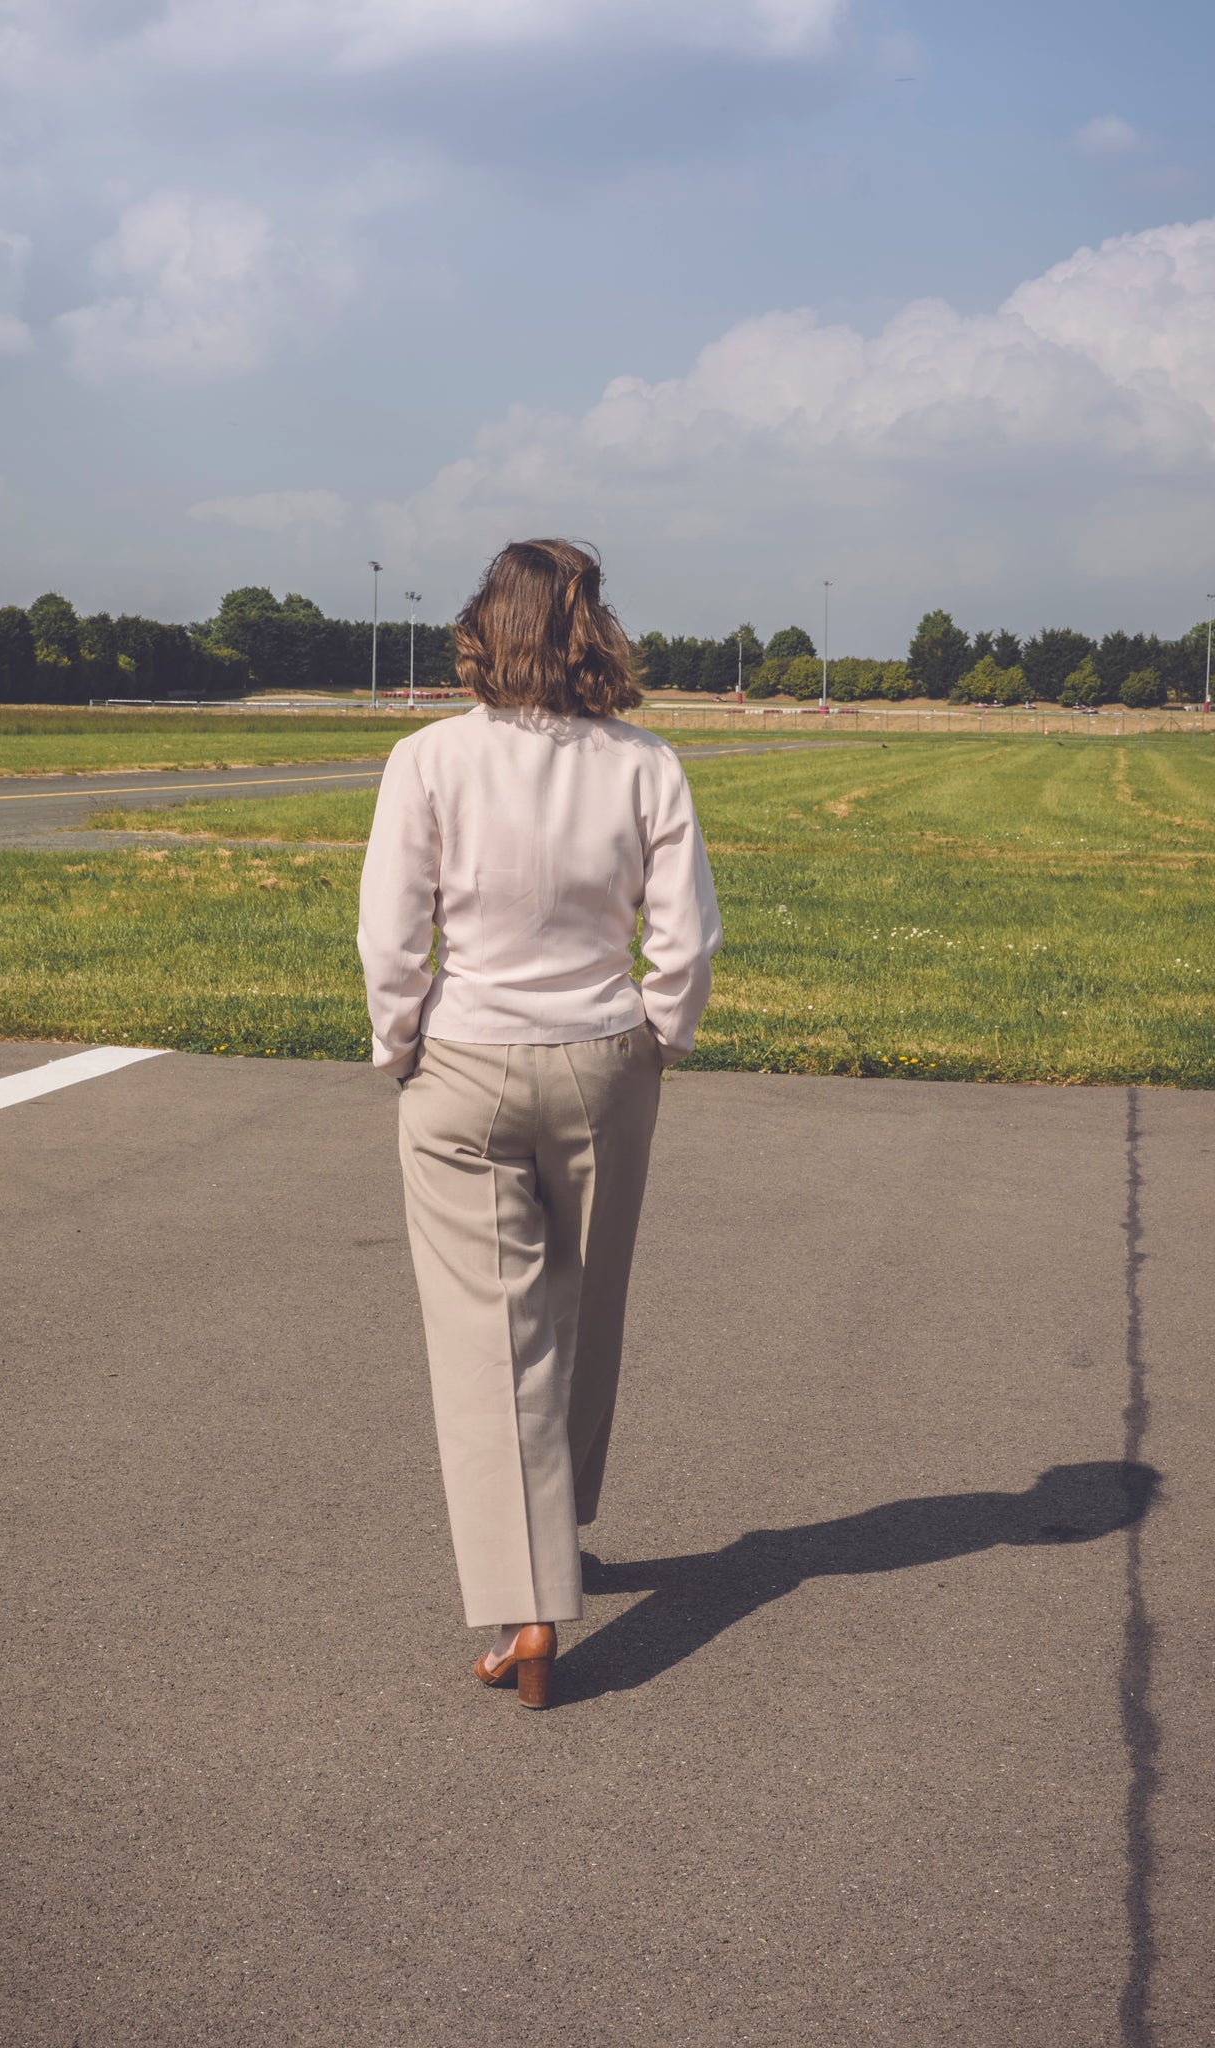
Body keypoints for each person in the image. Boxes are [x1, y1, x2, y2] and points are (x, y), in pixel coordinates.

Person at [357, 539, 721, 1709]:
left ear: (482, 625)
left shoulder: (427, 758)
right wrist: (660, 1035)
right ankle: (556, 1526)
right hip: (606, 1055)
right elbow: (689, 936)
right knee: (580, 1306)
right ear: (592, 631)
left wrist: (399, 1043)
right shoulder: (647, 763)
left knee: (488, 1336)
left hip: (466, 1056)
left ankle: (529, 1604)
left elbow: (389, 935)